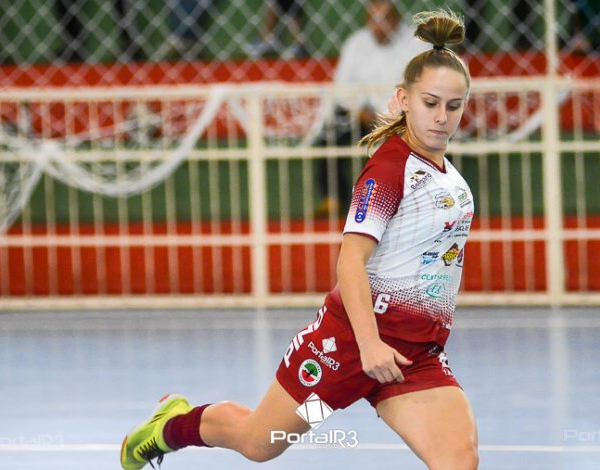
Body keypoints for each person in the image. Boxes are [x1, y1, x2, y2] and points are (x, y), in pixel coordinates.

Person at [120, 7, 478, 470]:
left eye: (454, 106)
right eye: (430, 103)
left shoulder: (452, 181)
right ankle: (170, 425)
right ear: (403, 99)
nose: (442, 117)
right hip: (345, 353)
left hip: (409, 362)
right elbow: (350, 261)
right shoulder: (390, 170)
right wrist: (369, 345)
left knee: (458, 460)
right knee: (261, 442)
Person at [315, 0, 426, 216]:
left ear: (396, 18)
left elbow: (425, 85)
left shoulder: (417, 43)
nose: (379, 27)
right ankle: (334, 200)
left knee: (434, 132)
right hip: (364, 117)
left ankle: (427, 200)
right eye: (374, 21)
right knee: (331, 135)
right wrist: (360, 111)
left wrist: (399, 113)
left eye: (385, 20)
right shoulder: (356, 43)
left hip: (406, 117)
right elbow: (341, 88)